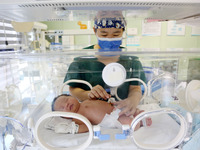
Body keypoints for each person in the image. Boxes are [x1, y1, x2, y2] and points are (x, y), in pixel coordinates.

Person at [64, 11, 146, 117]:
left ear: (123, 31)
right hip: (92, 114)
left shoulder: (131, 60)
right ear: (95, 30)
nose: (110, 38)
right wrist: (88, 94)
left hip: (123, 113)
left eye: (116, 34)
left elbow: (135, 88)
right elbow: (73, 89)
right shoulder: (81, 59)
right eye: (104, 34)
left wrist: (133, 100)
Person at [51, 94, 152, 133]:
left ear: (72, 97)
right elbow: (86, 126)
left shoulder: (85, 101)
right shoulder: (76, 118)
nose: (66, 105)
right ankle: (139, 123)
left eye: (66, 99)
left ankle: (136, 113)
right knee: (128, 122)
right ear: (64, 116)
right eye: (62, 108)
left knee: (128, 109)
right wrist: (72, 129)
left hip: (114, 108)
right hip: (110, 119)